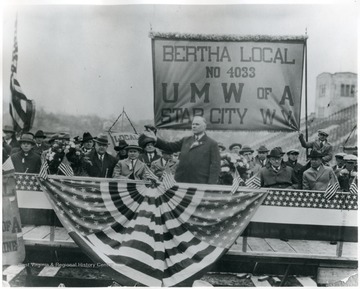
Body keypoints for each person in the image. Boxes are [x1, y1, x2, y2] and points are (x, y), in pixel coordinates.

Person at [141, 116, 221, 184]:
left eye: (197, 124)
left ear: (204, 126)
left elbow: (215, 166)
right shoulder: (186, 140)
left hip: (199, 183)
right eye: (193, 124)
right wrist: (156, 139)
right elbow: (170, 147)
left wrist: (211, 185)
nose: (194, 126)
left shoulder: (212, 144)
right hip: (181, 181)